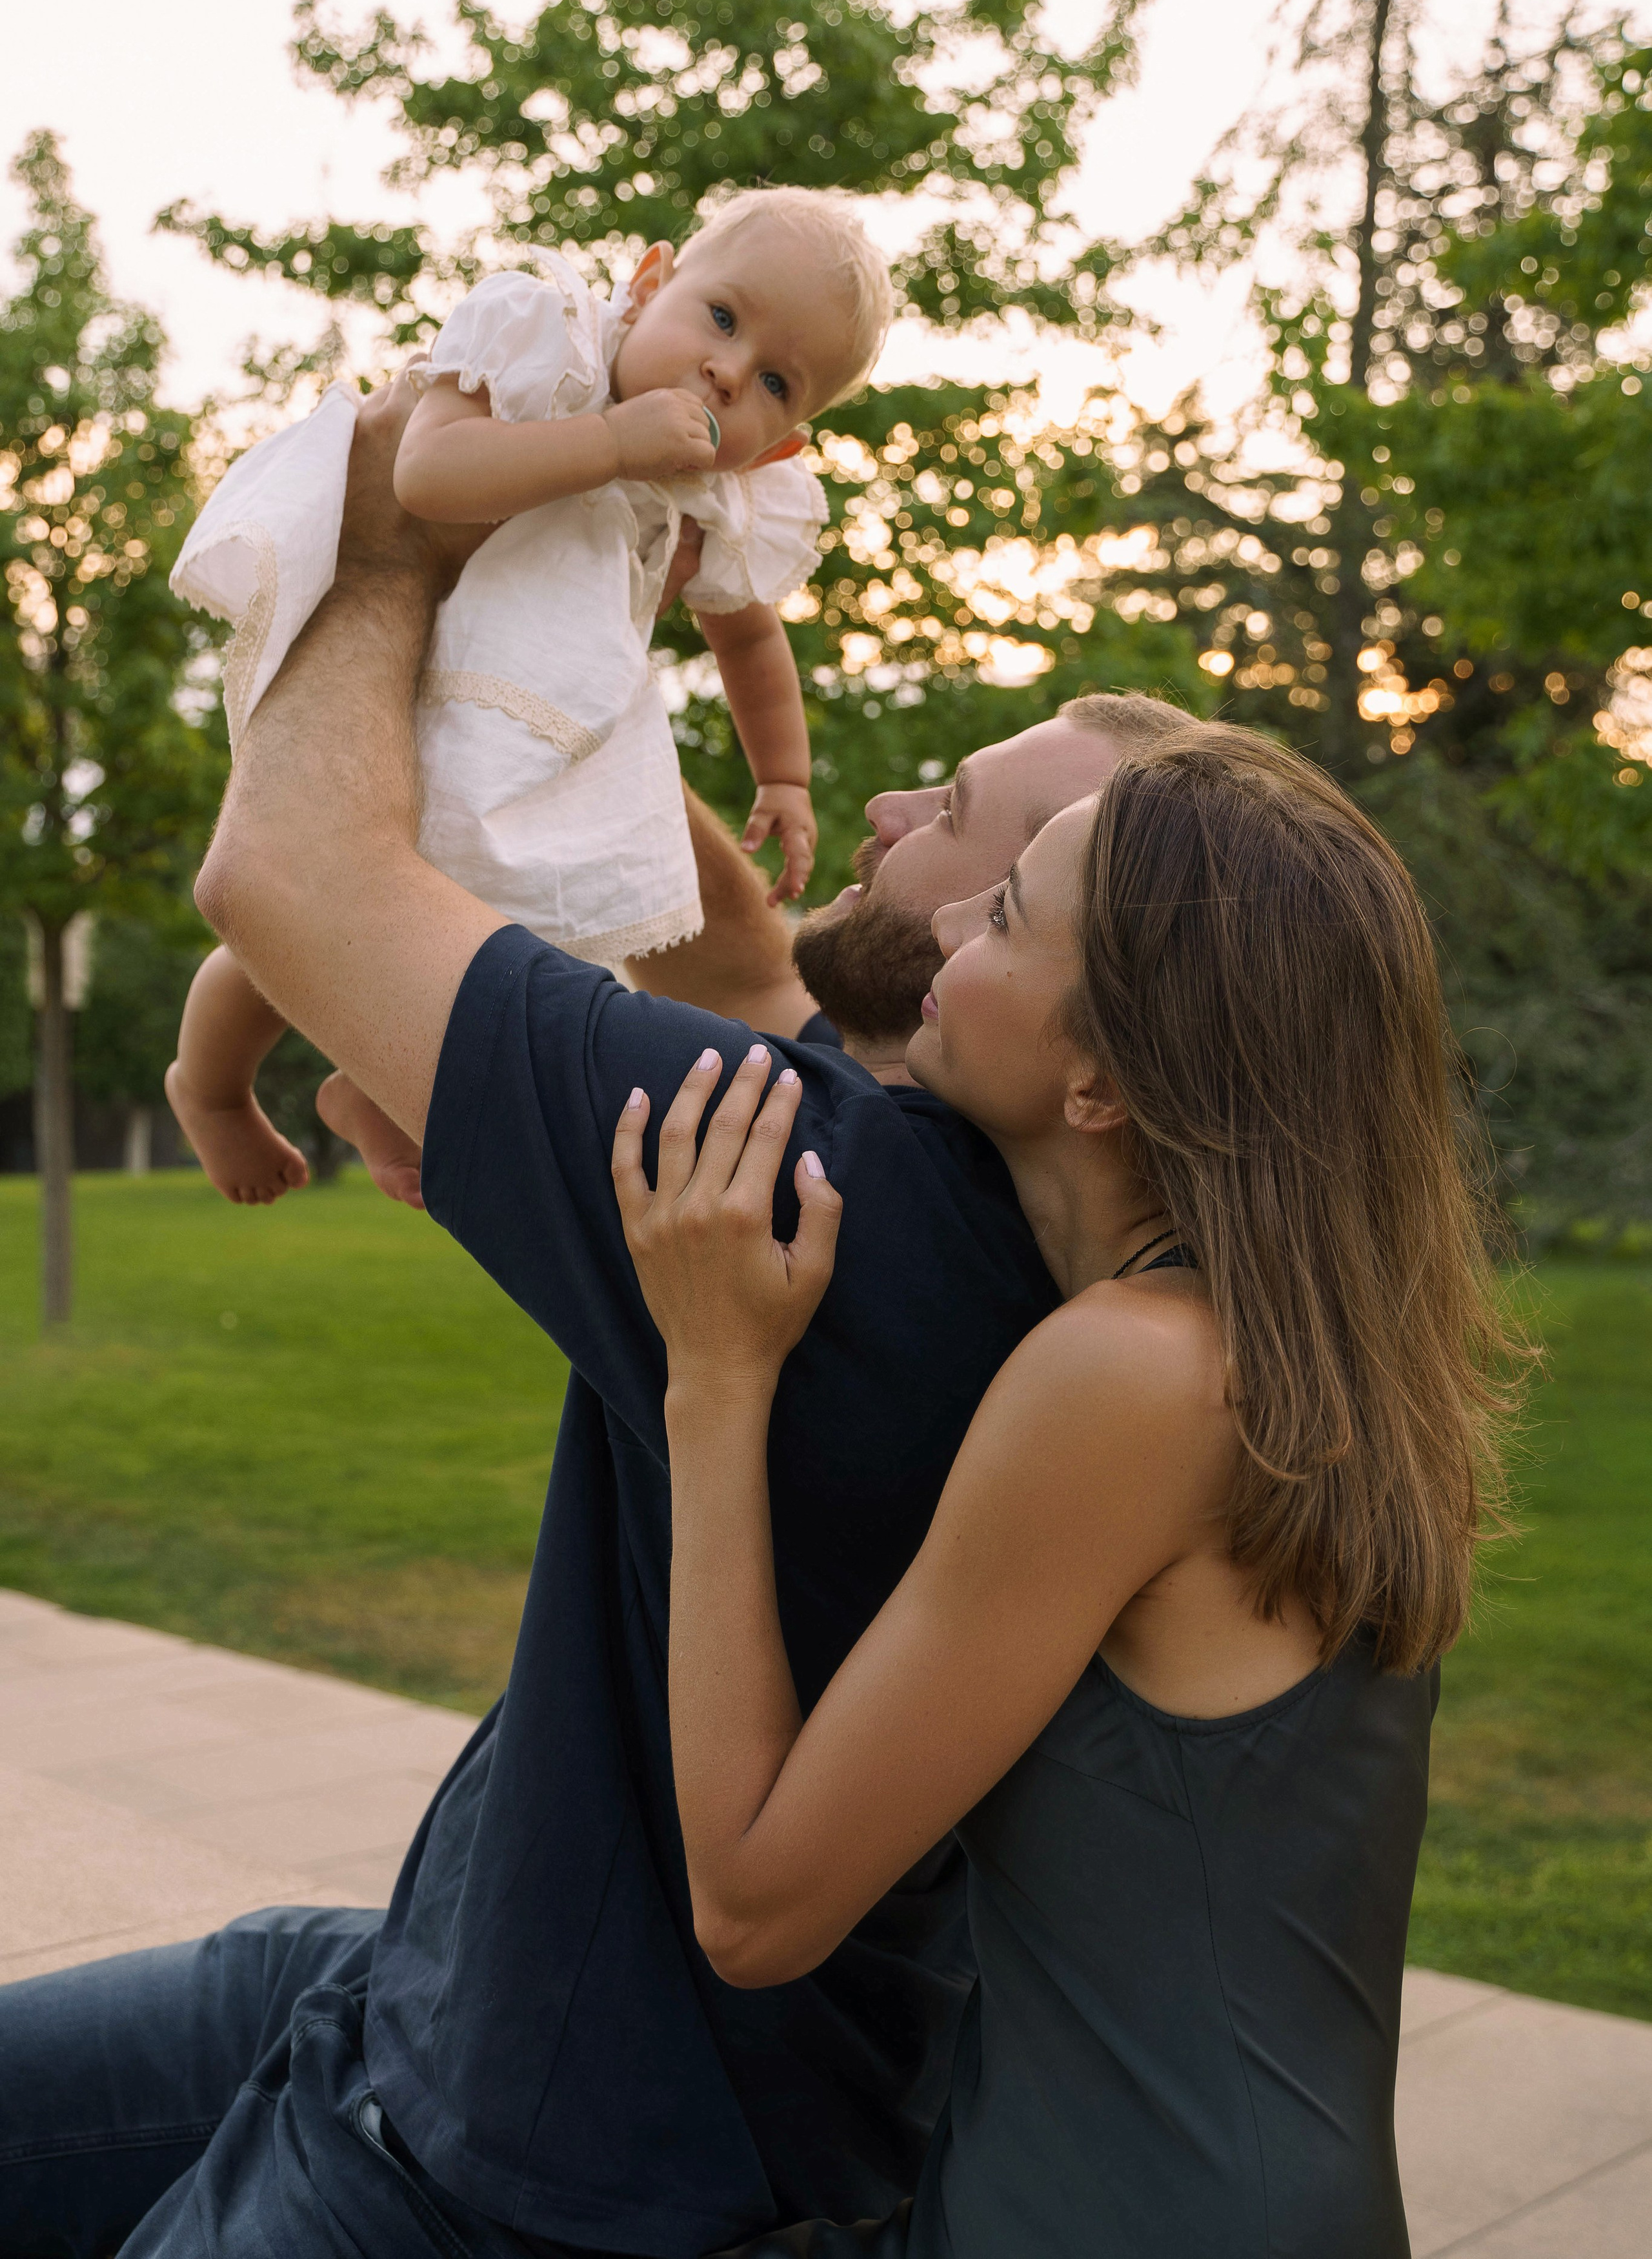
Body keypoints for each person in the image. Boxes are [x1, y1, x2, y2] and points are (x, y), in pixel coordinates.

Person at [0, 376, 1198, 2259]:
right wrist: (594, 576)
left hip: (497, 2165)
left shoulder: (820, 1185)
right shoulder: (950, 1187)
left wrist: (405, 528)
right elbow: (716, 945)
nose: (896, 801)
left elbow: (291, 875)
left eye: (977, 824)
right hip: (436, 1994)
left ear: (1089, 1009)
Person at [616, 728, 1518, 2258]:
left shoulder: (1130, 1379)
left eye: (1007, 918)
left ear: (1099, 1080)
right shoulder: (1270, 1348)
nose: (950, 930)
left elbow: (756, 1909)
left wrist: (711, 1381)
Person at [165, 188, 887, 1207]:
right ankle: (212, 1085)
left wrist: (785, 775)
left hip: (551, 747)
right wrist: (618, 444)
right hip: (406, 687)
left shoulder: (717, 497)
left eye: (775, 382)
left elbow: (750, 635)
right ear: (648, 284)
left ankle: (378, 1095)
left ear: (781, 446)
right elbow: (428, 471)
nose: (728, 371)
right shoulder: (547, 344)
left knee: (513, 939)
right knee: (297, 914)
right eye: (721, 318)